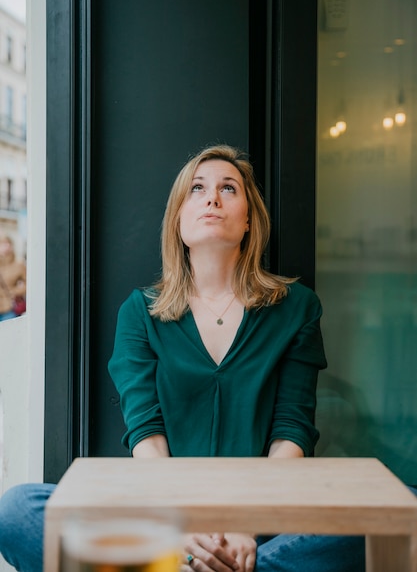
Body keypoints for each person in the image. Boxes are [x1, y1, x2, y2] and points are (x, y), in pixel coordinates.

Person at [0, 145, 415, 572]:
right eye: (197, 189)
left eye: (228, 188)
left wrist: (244, 530)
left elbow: (291, 435)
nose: (212, 198)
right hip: (162, 526)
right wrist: (181, 532)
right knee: (17, 510)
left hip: (263, 532)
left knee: (403, 505)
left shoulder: (297, 308)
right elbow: (147, 437)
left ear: (250, 218)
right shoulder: (140, 312)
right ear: (178, 220)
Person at [0, 234, 26, 321]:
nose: (4, 247)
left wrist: (15, 292)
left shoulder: (18, 265)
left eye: (7, 244)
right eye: (2, 244)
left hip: (9, 308)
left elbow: (30, 284)